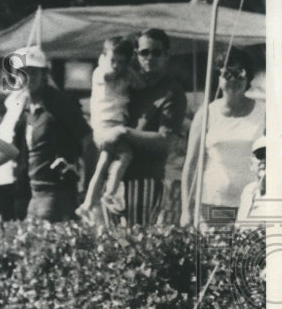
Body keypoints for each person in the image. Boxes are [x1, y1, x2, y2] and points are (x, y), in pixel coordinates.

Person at [102, 28, 187, 227]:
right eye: (144, 52)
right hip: (113, 177)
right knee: (111, 247)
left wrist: (124, 133)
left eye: (156, 52)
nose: (150, 57)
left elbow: (165, 142)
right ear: (136, 55)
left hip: (144, 179)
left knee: (136, 245)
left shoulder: (172, 91)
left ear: (167, 55)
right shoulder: (127, 82)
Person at [0, 45, 89, 223]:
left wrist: (87, 186)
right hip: (33, 192)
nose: (28, 77)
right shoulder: (26, 107)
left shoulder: (59, 103)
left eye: (33, 72)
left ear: (44, 74)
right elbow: (14, 150)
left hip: (57, 192)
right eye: (22, 72)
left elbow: (88, 140)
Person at [180, 48, 266, 227]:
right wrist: (186, 210)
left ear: (248, 77)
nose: (234, 80)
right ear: (218, 78)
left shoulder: (265, 113)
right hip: (211, 204)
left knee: (247, 255)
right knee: (215, 254)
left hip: (252, 204)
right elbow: (191, 165)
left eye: (240, 73)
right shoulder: (206, 114)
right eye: (228, 74)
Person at [76, 37, 142, 221]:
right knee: (126, 155)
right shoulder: (100, 71)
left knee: (103, 165)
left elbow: (140, 84)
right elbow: (109, 76)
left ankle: (87, 204)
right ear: (103, 57)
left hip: (110, 124)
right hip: (107, 124)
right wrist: (125, 68)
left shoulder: (123, 73)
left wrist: (129, 67)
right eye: (112, 60)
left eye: (121, 62)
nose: (116, 65)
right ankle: (110, 193)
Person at [236, 135, 270, 226]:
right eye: (260, 155)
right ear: (251, 164)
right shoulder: (248, 190)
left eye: (270, 156)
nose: (264, 160)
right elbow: (239, 228)